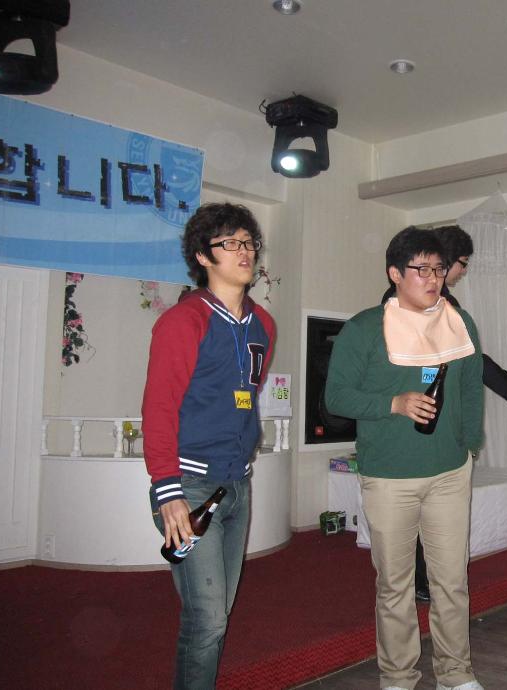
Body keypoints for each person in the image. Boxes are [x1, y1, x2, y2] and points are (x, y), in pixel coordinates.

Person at [326, 227, 485, 690]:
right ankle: (397, 677)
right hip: (389, 476)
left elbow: (471, 389)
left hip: (450, 473)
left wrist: (469, 445)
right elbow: (336, 397)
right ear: (395, 273)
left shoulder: (460, 322)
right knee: (395, 585)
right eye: (422, 269)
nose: (433, 278)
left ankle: (456, 673)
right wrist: (393, 403)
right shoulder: (364, 328)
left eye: (439, 269)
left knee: (451, 581)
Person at [142, 202, 276, 688]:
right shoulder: (185, 321)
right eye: (230, 243)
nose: (245, 252)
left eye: (249, 242)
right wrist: (168, 490)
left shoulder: (263, 324)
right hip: (191, 486)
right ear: (203, 255)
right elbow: (159, 408)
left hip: (238, 484)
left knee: (217, 614)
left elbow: (247, 395)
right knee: (208, 619)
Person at [381, 225, 507, 603]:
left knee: (431, 508)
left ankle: (427, 579)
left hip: (434, 420)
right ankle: (419, 581)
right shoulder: (411, 304)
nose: (461, 272)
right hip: (413, 419)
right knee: (418, 509)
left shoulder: (439, 304)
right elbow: (474, 360)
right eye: (461, 263)